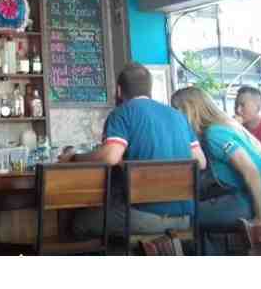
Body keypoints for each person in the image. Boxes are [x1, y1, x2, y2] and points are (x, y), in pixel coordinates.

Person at [59, 63, 207, 238]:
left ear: (119, 90)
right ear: (150, 89)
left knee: (79, 222)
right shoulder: (179, 116)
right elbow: (201, 162)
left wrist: (74, 157)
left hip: (145, 217)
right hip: (184, 219)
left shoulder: (122, 113)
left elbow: (110, 157)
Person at [171, 87, 261, 231]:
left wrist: (259, 218)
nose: (174, 117)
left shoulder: (214, 134)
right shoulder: (226, 126)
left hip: (254, 205)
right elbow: (257, 146)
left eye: (176, 111)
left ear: (190, 110)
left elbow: (251, 172)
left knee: (183, 217)